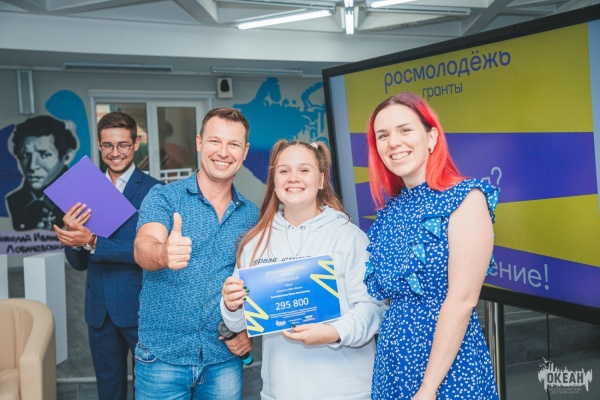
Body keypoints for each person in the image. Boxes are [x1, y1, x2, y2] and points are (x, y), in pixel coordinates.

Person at [221, 140, 386, 400]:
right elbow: (239, 322)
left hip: (347, 391)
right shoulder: (255, 243)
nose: (293, 178)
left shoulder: (349, 237)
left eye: (304, 170)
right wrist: (231, 305)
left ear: (320, 180)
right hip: (281, 391)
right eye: (284, 171)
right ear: (274, 180)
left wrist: (334, 332)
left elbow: (374, 308)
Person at [364, 92, 500, 399]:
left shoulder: (465, 198)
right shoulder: (392, 209)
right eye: (383, 135)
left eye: (405, 130)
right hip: (393, 361)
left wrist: (428, 387)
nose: (393, 142)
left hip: (446, 367)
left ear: (431, 137)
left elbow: (462, 301)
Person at [133, 107, 259, 400]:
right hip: (162, 358)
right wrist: (163, 253)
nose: (223, 152)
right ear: (200, 142)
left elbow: (252, 283)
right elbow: (143, 246)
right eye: (215, 141)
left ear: (244, 152)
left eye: (233, 144)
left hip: (223, 359)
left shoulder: (252, 216)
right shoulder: (164, 197)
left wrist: (247, 329)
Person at [53, 112, 161, 400]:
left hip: (140, 308)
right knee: (108, 390)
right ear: (99, 146)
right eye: (108, 145)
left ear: (135, 144)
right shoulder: (83, 191)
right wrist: (74, 240)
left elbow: (149, 251)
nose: (116, 152)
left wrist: (92, 240)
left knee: (150, 388)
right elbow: (78, 263)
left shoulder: (155, 191)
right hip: (98, 310)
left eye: (123, 144)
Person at [7, 115, 78, 230]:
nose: (32, 166)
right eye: (25, 155)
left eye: (44, 155)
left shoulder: (82, 198)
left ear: (66, 157)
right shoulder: (13, 201)